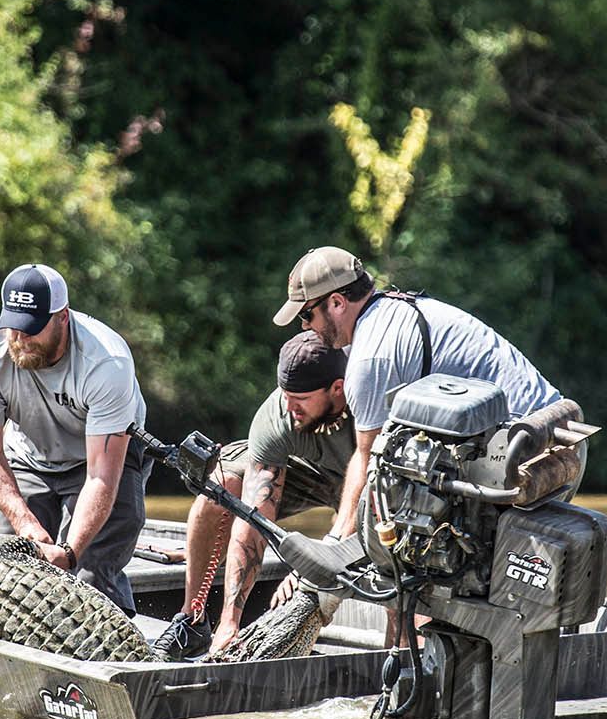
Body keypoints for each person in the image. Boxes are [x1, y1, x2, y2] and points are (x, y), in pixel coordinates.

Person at [269, 246, 570, 633]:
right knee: (405, 525)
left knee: (411, 554)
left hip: (526, 458)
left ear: (337, 303)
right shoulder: (391, 311)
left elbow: (368, 466)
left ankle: (418, 661)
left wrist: (327, 557)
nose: (305, 327)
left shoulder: (371, 358)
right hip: (559, 435)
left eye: (307, 315)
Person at [151, 332, 354, 660]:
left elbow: (374, 508)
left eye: (301, 399)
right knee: (220, 487)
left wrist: (312, 564)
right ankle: (193, 621)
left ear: (337, 388)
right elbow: (253, 520)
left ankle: (400, 654)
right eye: (285, 396)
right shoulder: (278, 414)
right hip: (306, 468)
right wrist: (229, 622)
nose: (290, 407)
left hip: (365, 477)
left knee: (397, 557)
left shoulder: (369, 401)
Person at [0, 263, 150, 614]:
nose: (20, 338)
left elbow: (101, 475)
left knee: (88, 577)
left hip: (101, 461)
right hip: (27, 456)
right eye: (13, 325)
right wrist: (24, 523)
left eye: (31, 329)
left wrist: (69, 553)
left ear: (63, 317)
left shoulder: (106, 361)